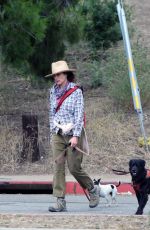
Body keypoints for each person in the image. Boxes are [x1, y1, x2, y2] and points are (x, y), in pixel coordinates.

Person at [46, 60, 99, 212]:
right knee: (58, 166)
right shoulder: (52, 92)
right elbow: (51, 114)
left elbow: (79, 116)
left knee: (74, 167)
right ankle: (60, 201)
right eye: (55, 75)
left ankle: (92, 189)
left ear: (67, 74)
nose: (57, 77)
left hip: (73, 133)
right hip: (58, 133)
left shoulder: (76, 91)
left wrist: (75, 136)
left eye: (60, 74)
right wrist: (52, 133)